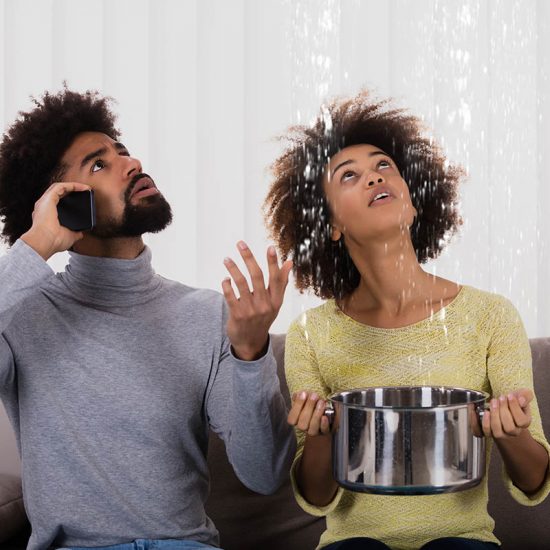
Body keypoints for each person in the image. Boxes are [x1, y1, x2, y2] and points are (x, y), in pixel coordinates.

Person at [0, 88, 295, 550]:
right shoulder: (23, 317)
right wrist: (36, 246)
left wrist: (251, 354)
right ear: (59, 205)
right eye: (99, 165)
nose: (131, 163)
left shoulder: (209, 315)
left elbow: (265, 474)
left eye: (121, 151)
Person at [264, 90, 550, 550]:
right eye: (349, 176)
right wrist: (319, 436)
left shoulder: (490, 315)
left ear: (414, 202)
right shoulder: (311, 334)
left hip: (463, 539)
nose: (374, 178)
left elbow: (535, 481)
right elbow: (317, 496)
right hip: (354, 542)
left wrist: (513, 433)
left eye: (384, 167)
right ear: (331, 224)